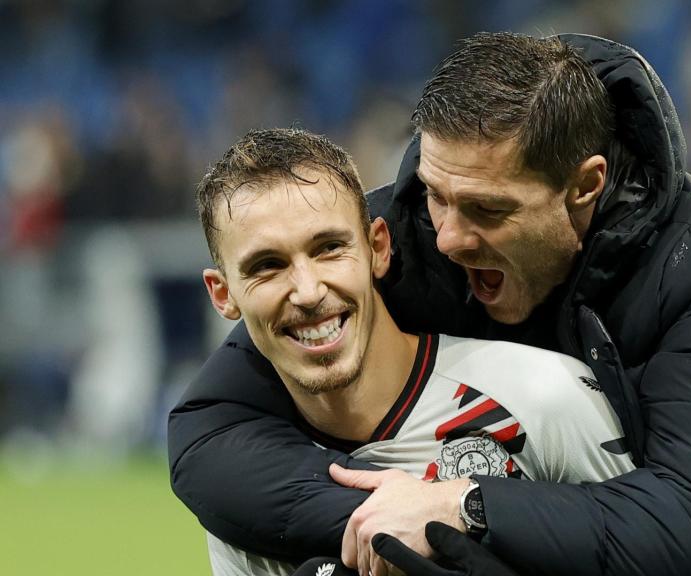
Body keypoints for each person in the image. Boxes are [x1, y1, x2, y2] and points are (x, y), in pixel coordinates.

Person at [169, 32, 691, 576]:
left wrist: (463, 509)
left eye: (489, 210)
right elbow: (210, 436)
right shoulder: (397, 234)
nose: (451, 237)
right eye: (436, 193)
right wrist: (376, 521)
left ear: (584, 187)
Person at [190, 127, 634, 576]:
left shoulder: (543, 395)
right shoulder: (242, 504)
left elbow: (648, 547)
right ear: (223, 294)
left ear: (377, 248)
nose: (307, 291)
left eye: (329, 249)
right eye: (268, 266)